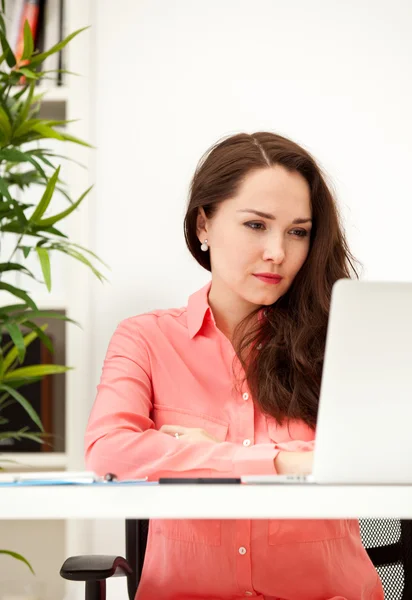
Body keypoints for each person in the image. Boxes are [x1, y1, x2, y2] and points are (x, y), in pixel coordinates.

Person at [85, 132, 384, 600]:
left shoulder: (343, 339)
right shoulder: (146, 339)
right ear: (204, 225)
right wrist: (283, 462)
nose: (277, 252)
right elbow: (109, 451)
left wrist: (205, 455)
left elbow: (379, 458)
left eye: (297, 231)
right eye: (255, 225)